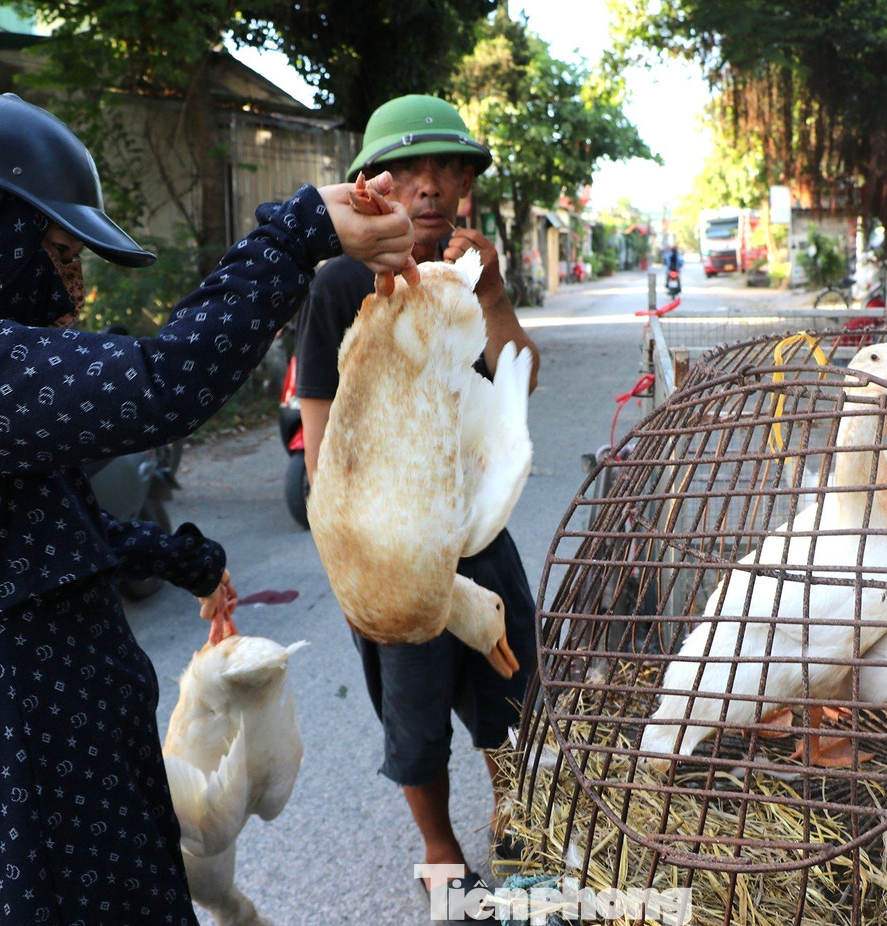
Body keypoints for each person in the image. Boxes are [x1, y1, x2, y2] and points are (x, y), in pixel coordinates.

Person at [0, 92, 414, 926]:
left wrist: (184, 559)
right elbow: (160, 386)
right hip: (14, 748)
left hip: (70, 733)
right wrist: (295, 235)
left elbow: (39, 528)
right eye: (58, 254)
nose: (73, 290)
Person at [293, 94, 540, 907]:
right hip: (391, 553)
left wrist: (496, 293)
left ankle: (520, 827)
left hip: (475, 533)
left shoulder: (470, 277)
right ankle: (442, 854)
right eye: (407, 172)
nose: (427, 188)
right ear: (371, 189)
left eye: (445, 170)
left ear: (465, 184)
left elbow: (520, 383)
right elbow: (325, 440)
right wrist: (351, 570)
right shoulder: (336, 285)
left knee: (514, 690)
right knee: (415, 720)